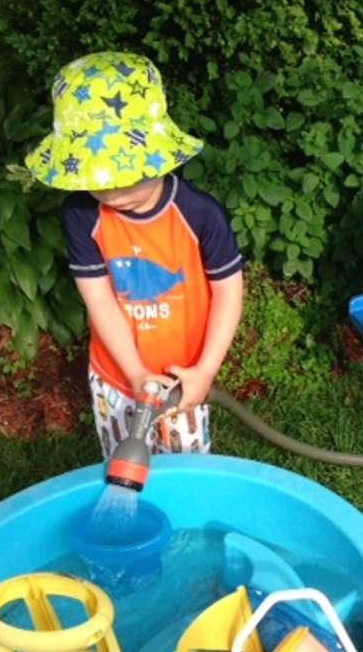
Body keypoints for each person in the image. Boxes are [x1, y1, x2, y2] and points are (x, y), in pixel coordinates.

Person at [26, 52, 243, 459]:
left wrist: (205, 371)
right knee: (124, 468)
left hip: (184, 378)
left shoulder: (199, 215)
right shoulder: (80, 214)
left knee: (186, 474)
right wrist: (135, 374)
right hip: (115, 377)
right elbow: (99, 299)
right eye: (96, 181)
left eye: (125, 179)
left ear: (157, 155)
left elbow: (229, 292)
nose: (111, 195)